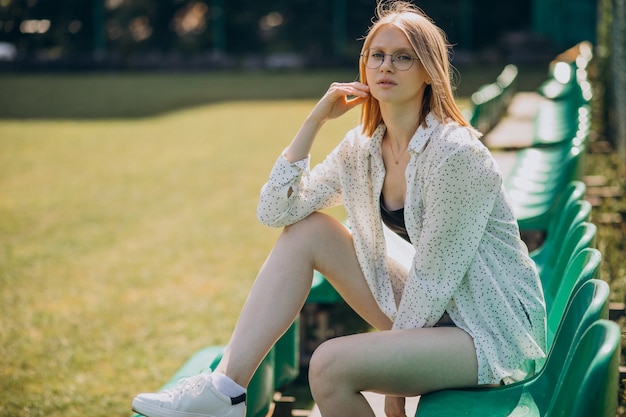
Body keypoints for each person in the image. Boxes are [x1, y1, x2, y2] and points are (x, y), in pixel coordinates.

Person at [132, 1, 547, 416]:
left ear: (428, 72)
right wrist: (313, 123)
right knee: (307, 232)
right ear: (363, 67)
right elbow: (277, 211)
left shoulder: (453, 154)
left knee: (328, 366)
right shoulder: (362, 149)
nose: (387, 66)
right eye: (377, 56)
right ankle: (226, 391)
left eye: (404, 58)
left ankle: (226, 395)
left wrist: (397, 386)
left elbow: (434, 281)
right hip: (438, 314)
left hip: (486, 331)